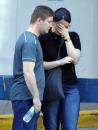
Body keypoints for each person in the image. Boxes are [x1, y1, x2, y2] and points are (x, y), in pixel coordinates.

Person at [10, 5, 53, 130]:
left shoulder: (31, 39)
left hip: (27, 98)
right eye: (49, 22)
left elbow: (35, 67)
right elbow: (28, 72)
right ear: (39, 20)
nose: (51, 26)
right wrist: (36, 97)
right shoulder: (30, 41)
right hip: (26, 98)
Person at [39, 7, 81, 130]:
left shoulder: (73, 36)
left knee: (70, 126)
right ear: (53, 22)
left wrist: (67, 38)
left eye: (66, 27)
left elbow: (75, 59)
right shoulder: (44, 38)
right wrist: (59, 62)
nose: (63, 29)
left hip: (70, 88)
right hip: (51, 87)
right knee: (51, 126)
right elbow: (39, 64)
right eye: (60, 26)